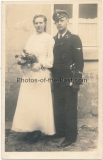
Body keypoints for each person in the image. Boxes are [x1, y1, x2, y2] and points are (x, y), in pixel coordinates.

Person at [12, 14, 55, 143]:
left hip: (41, 74)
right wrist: (23, 61)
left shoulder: (48, 39)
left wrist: (40, 64)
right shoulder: (31, 38)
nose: (38, 25)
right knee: (29, 102)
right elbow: (27, 54)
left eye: (40, 22)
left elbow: (51, 60)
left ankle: (38, 131)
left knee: (39, 102)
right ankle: (30, 129)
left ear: (45, 24)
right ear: (34, 24)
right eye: (36, 23)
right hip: (30, 74)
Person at [51, 9, 84, 148]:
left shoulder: (74, 38)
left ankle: (71, 136)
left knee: (70, 108)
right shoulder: (53, 40)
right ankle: (60, 132)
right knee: (58, 106)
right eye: (57, 21)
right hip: (57, 78)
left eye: (61, 20)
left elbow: (80, 62)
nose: (59, 23)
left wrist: (76, 81)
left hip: (69, 78)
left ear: (67, 21)